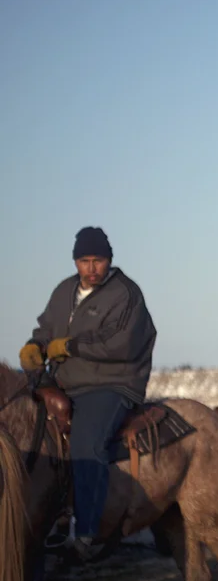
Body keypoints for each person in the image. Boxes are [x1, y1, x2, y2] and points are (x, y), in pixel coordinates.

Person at [20, 227, 157, 558]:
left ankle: (87, 532)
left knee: (86, 441)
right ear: (76, 261)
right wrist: (35, 346)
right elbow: (46, 328)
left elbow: (122, 344)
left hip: (112, 382)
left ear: (109, 260)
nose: (91, 268)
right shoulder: (64, 291)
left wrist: (70, 346)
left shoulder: (126, 293)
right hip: (67, 380)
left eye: (98, 260)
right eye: (84, 261)